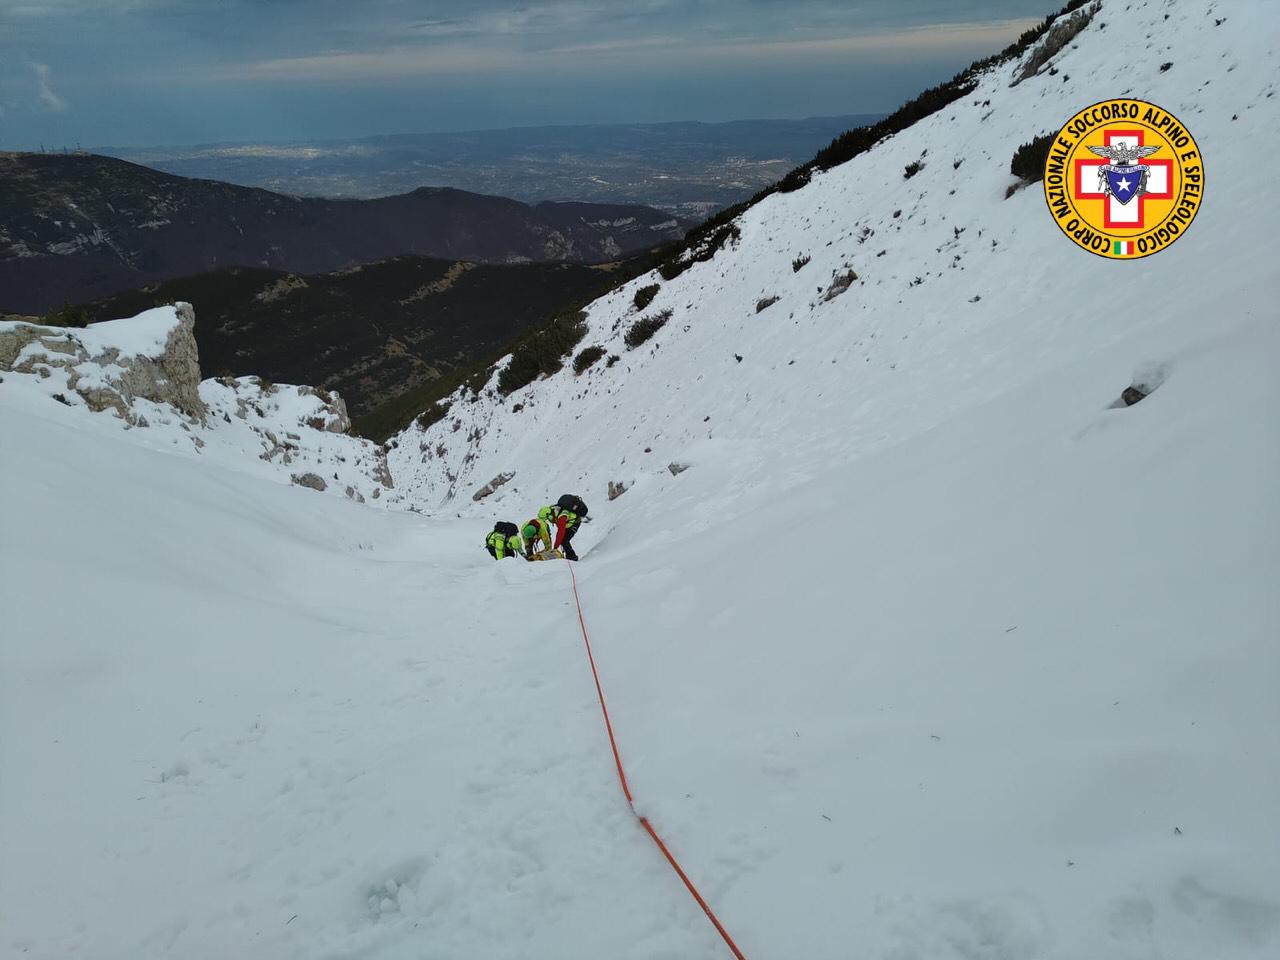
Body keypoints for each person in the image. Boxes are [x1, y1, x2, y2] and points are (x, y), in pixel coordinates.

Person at [537, 494, 589, 561]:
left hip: (574, 524)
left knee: (564, 541)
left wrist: (555, 548)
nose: (548, 520)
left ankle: (572, 557)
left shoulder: (561, 517)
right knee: (563, 540)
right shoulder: (553, 509)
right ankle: (570, 556)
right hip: (568, 524)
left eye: (547, 518)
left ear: (548, 515)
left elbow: (560, 532)